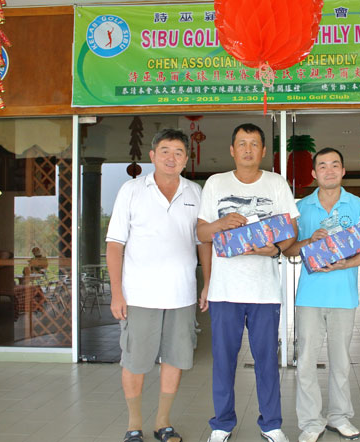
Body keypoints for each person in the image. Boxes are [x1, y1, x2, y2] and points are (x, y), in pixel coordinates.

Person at [106, 128, 210, 442]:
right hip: (139, 295)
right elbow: (115, 244)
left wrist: (208, 283)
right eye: (165, 151)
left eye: (178, 152)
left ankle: (162, 423)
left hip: (181, 295)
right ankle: (134, 425)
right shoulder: (132, 190)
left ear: (186, 159)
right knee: (135, 362)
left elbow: (203, 242)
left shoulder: (195, 192)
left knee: (175, 360)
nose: (171, 158)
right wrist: (116, 293)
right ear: (152, 155)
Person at [196, 123, 299, 442]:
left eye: (254, 143)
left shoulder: (276, 183)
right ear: (232, 149)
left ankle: (271, 424)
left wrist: (275, 249)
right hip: (224, 291)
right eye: (242, 143)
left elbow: (292, 231)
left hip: (264, 292)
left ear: (263, 151)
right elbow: (201, 234)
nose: (248, 149)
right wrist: (221, 223)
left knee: (266, 361)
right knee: (223, 362)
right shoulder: (216, 183)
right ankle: (222, 424)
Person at [283, 147, 360, 442]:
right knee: (306, 362)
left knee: (341, 362)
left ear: (343, 171)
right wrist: (309, 241)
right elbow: (288, 250)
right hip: (309, 296)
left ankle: (339, 416)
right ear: (314, 173)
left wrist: (346, 263)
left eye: (335, 164)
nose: (329, 170)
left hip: (343, 296)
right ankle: (311, 422)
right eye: (322, 165)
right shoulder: (302, 208)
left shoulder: (358, 206)